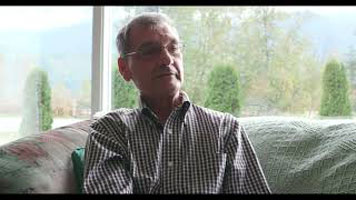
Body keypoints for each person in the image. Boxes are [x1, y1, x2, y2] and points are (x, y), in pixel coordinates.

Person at [83, 12, 271, 194]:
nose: (167, 59)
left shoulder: (226, 129)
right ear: (124, 69)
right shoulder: (109, 131)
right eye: (150, 51)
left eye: (174, 48)